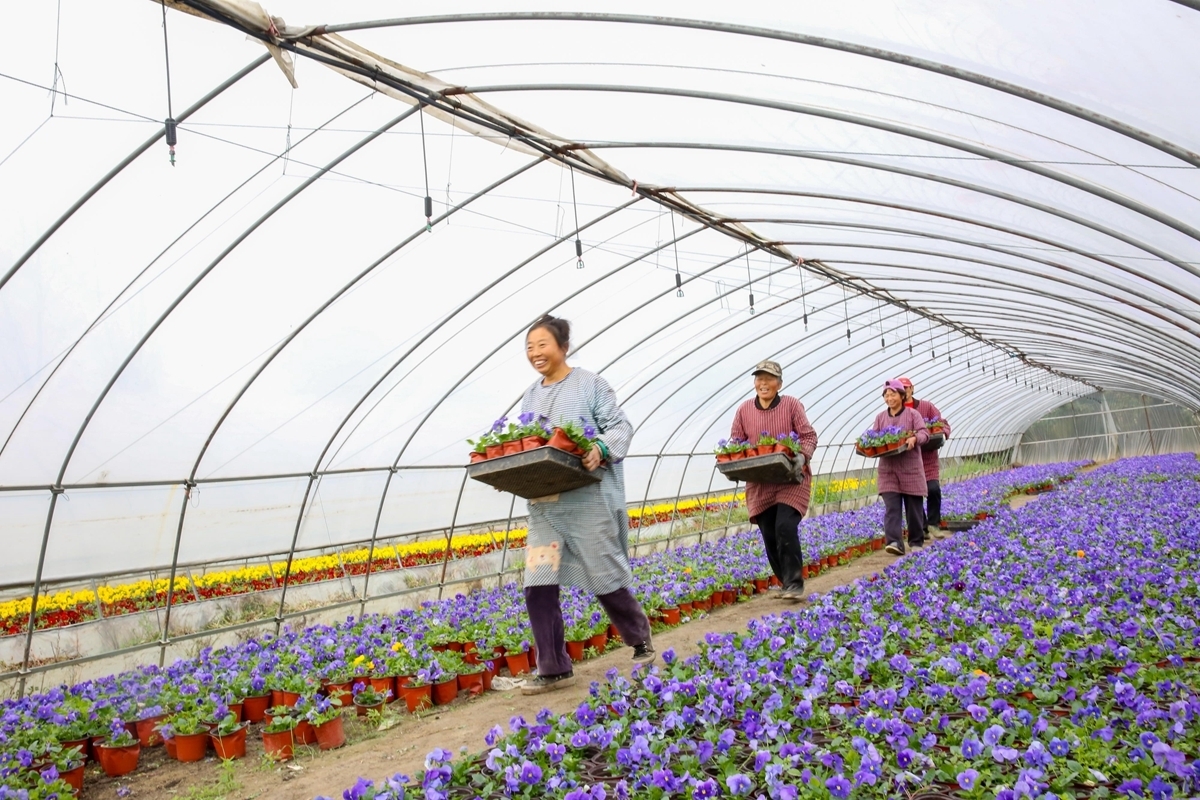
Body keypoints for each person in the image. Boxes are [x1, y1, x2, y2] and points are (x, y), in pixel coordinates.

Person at [518, 314, 655, 695]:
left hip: (587, 500)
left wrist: (600, 448)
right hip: (546, 504)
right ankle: (553, 667)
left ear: (563, 347)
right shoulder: (530, 395)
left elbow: (619, 426)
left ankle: (640, 639)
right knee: (538, 584)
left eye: (542, 345)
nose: (535, 353)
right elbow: (528, 441)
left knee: (603, 574)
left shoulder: (590, 384)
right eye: (529, 347)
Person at [728, 359, 819, 601]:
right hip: (759, 482)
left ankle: (794, 583)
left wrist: (802, 456)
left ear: (779, 383)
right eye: (759, 378)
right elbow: (736, 442)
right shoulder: (744, 410)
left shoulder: (791, 405)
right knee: (769, 533)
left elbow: (808, 436)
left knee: (785, 527)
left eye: (769, 379)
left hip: (790, 479)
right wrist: (733, 464)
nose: (763, 383)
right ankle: (786, 582)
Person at [873, 379, 930, 555]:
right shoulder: (880, 418)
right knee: (892, 508)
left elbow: (924, 433)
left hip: (910, 468)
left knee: (914, 509)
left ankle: (916, 542)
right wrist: (868, 445)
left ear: (902, 395)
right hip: (888, 470)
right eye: (886, 395)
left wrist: (914, 438)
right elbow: (874, 438)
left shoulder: (913, 414)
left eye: (893, 394)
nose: (889, 398)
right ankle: (894, 542)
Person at [897, 376, 952, 540]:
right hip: (908, 460)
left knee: (933, 489)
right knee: (913, 495)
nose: (904, 391)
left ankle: (933, 524)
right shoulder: (895, 412)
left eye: (906, 388)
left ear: (912, 389)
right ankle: (922, 528)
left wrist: (943, 433)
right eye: (900, 389)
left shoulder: (926, 407)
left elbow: (942, 423)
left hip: (928, 458)